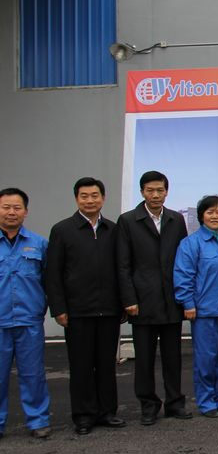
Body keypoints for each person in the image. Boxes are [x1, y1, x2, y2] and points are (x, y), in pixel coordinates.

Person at [46, 177, 125, 435]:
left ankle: (107, 412)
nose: (90, 200)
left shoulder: (113, 230)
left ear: (103, 198)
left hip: (109, 309)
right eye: (84, 196)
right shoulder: (62, 230)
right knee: (81, 366)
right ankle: (83, 416)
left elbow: (122, 269)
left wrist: (123, 304)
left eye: (95, 195)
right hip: (77, 311)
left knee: (106, 365)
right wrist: (59, 308)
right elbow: (53, 273)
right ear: (76, 199)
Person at [116, 171, 192, 425]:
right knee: (144, 359)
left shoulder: (176, 219)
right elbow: (123, 264)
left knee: (173, 357)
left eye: (160, 190)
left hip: (171, 300)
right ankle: (148, 406)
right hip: (142, 301)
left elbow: (183, 260)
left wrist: (184, 296)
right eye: (150, 190)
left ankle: (175, 403)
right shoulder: (128, 221)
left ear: (166, 192)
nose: (155, 195)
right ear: (142, 192)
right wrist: (129, 299)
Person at [173, 195, 218, 418]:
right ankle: (206, 402)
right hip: (203, 311)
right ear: (201, 215)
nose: (215, 216)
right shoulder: (190, 244)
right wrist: (188, 303)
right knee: (206, 359)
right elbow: (183, 276)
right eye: (210, 212)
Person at [0, 188, 51, 439]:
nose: (11, 212)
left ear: (26, 212)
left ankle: (38, 420)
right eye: (6, 207)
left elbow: (49, 281)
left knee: (33, 374)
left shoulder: (39, 244)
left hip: (29, 320)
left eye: (17, 207)